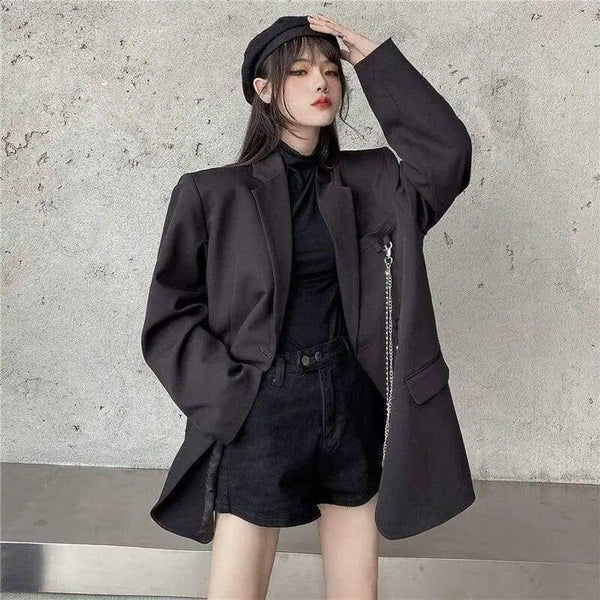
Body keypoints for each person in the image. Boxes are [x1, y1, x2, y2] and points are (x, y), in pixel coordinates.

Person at [141, 12, 475, 600]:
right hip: (261, 408)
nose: (321, 81)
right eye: (298, 71)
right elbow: (169, 320)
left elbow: (447, 155)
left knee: (356, 591)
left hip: (351, 400)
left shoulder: (373, 181)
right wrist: (233, 400)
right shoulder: (211, 193)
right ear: (264, 89)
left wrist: (372, 62)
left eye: (329, 71)